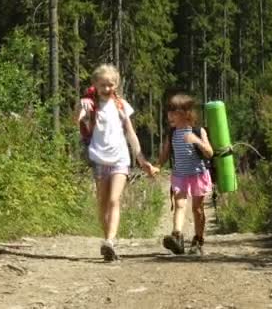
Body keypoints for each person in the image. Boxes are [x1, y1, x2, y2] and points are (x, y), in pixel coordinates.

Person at [78, 64, 159, 262]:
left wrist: (141, 160)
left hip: (120, 159)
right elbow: (79, 120)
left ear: (117, 84)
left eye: (111, 84)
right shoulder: (90, 104)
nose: (107, 88)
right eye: (103, 84)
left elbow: (131, 133)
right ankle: (107, 241)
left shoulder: (121, 105)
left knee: (114, 200)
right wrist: (81, 109)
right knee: (102, 203)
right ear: (95, 84)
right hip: (99, 159)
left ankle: (111, 241)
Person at [156, 93, 214, 255]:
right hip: (179, 175)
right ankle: (177, 237)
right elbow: (165, 153)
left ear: (185, 113)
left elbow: (209, 153)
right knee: (180, 205)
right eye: (169, 112)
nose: (169, 115)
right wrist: (157, 166)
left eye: (173, 112)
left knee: (197, 209)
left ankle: (198, 239)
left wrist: (196, 141)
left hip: (198, 175)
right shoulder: (172, 133)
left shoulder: (198, 130)